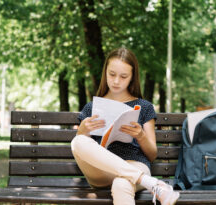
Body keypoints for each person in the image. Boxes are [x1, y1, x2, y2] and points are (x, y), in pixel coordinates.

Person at [71, 47, 180, 205]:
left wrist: (141, 136)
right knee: (77, 141)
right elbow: (82, 150)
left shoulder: (144, 107)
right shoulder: (91, 107)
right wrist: (82, 131)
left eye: (123, 76)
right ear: (105, 72)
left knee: (122, 183)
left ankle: (144, 180)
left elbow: (152, 155)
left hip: (135, 163)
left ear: (132, 77)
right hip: (102, 171)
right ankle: (152, 184)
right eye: (112, 74)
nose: (116, 81)